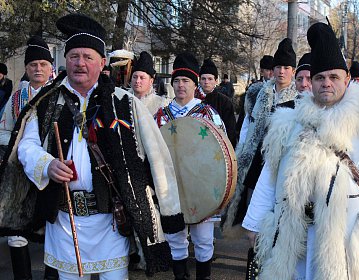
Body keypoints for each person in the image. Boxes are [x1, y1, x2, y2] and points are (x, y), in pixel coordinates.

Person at [0, 14, 185, 279]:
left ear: (101, 62)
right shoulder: (48, 101)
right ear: (65, 60)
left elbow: (159, 158)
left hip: (111, 223)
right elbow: (27, 146)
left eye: (88, 57)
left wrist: (169, 212)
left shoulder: (125, 103)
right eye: (74, 56)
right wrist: (47, 164)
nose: (80, 63)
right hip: (65, 223)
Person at [243, 22, 359, 280]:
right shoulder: (289, 123)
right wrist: (254, 223)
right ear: (311, 83)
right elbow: (270, 175)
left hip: (348, 231)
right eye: (320, 78)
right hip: (296, 234)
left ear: (346, 78)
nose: (326, 84)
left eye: (333, 77)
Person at [155, 52, 225, 280]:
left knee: (203, 241)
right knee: (175, 239)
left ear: (195, 85)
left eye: (186, 81)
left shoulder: (208, 113)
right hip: (171, 189)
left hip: (202, 187)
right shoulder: (161, 116)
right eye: (177, 81)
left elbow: (222, 153)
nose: (181, 85)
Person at [224, 38, 298, 232]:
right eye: (278, 66)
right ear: (272, 69)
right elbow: (247, 125)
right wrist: (242, 152)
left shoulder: (299, 99)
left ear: (293, 71)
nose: (281, 71)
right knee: (251, 208)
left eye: (287, 67)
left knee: (274, 211)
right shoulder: (258, 93)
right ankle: (252, 252)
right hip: (254, 158)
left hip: (279, 161)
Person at [0, 35, 59, 280]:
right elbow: (3, 131)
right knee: (17, 232)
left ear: (50, 68)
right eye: (33, 64)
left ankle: (51, 275)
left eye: (43, 64)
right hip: (21, 173)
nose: (38, 69)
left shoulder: (60, 94)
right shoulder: (16, 98)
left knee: (53, 229)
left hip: (51, 171)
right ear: (26, 68)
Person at [198, 58, 237, 147]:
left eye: (210, 79)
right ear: (199, 80)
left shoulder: (225, 102)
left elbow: (231, 131)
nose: (206, 82)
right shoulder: (193, 99)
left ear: (216, 81)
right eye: (203, 78)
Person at [236, 55, 274, 142]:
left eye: (272, 70)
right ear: (261, 72)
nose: (271, 73)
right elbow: (245, 114)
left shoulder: (278, 88)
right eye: (268, 70)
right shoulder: (253, 90)